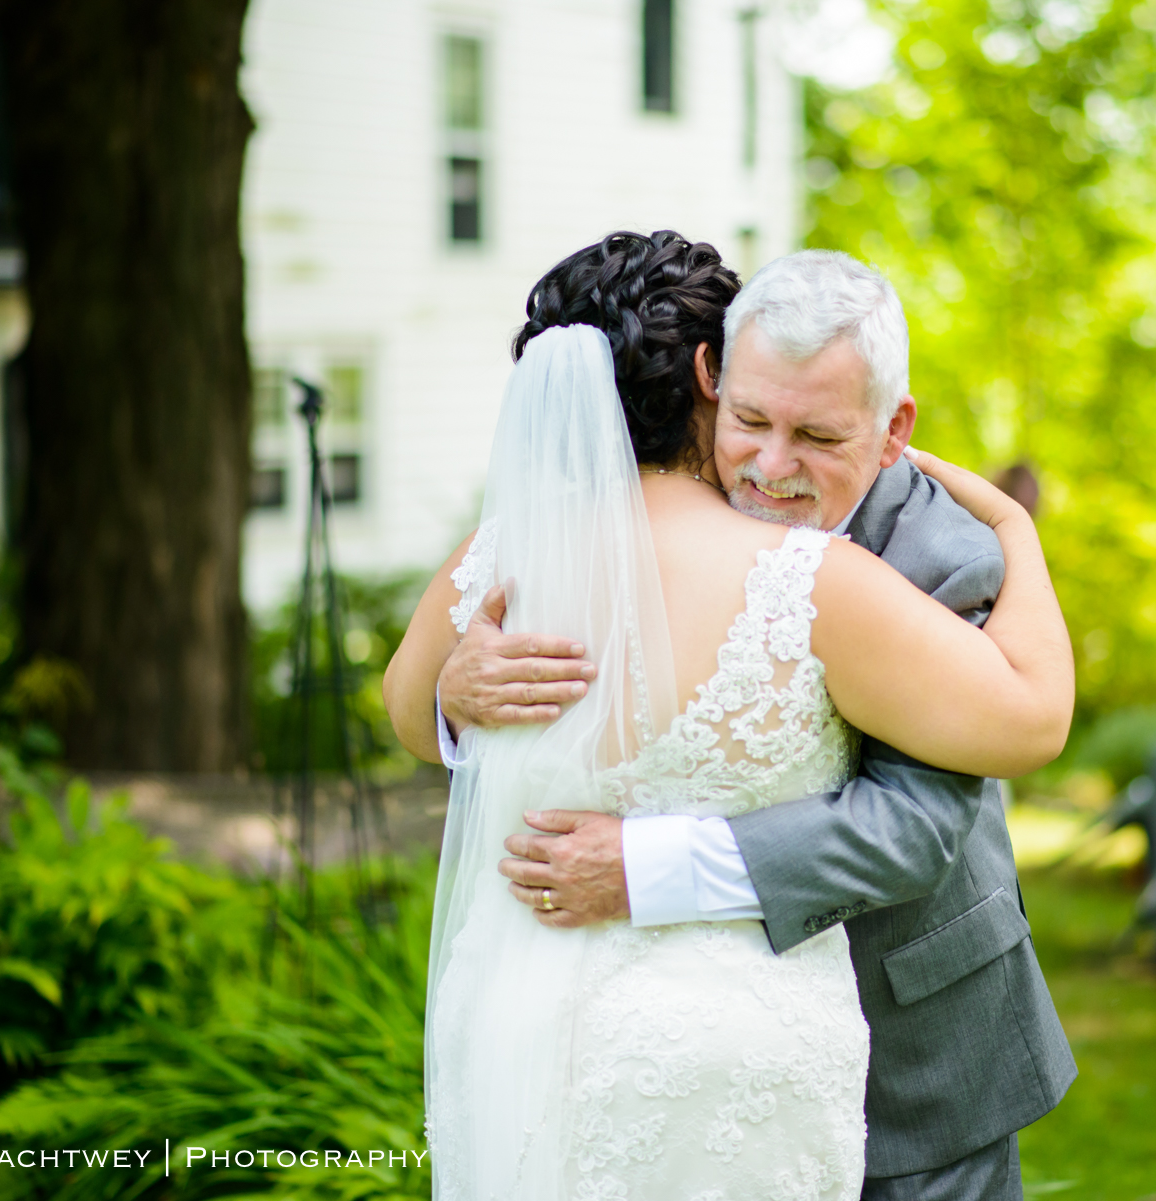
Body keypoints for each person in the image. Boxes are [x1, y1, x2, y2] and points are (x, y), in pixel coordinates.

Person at [384, 232, 1075, 1201]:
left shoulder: (921, 551)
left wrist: (1013, 529)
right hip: (627, 1052)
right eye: (751, 415)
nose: (774, 462)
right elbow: (413, 711)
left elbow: (919, 820)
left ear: (889, 428)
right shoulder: (549, 546)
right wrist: (459, 695)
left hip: (918, 1041)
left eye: (819, 437)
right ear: (714, 377)